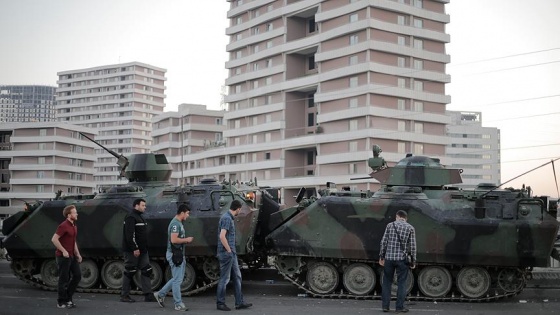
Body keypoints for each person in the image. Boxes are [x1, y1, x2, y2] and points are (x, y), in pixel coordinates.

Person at [153, 204, 194, 311]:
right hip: (175, 254)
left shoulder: (178, 223)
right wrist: (187, 240)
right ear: (182, 213)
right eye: (187, 213)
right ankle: (178, 304)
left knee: (177, 279)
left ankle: (160, 294)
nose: (188, 216)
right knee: (177, 280)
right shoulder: (175, 224)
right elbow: (174, 240)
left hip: (178, 254)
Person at [216, 200, 252, 311]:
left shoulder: (228, 218)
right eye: (239, 209)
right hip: (227, 253)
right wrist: (229, 251)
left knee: (237, 276)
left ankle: (239, 302)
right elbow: (222, 236)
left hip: (231, 253)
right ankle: (220, 303)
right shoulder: (227, 218)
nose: (239, 212)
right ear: (237, 208)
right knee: (224, 279)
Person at [379, 210, 417, 313]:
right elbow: (413, 247)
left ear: (397, 216)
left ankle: (385, 306)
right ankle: (399, 307)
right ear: (406, 218)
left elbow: (384, 242)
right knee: (402, 283)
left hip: (389, 259)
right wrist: (413, 261)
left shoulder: (390, 225)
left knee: (387, 282)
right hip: (402, 260)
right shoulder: (410, 228)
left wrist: (382, 256)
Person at [121, 198, 157, 303]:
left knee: (146, 270)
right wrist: (135, 248)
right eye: (143, 205)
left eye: (145, 205)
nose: (145, 207)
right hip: (133, 251)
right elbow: (129, 235)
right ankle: (124, 295)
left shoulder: (140, 217)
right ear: (136, 206)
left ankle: (148, 295)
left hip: (143, 250)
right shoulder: (131, 217)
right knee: (130, 271)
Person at [51, 204, 82, 309]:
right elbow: (54, 239)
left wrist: (77, 254)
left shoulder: (74, 226)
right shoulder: (63, 225)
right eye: (75, 212)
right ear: (69, 215)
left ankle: (68, 298)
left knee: (77, 275)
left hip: (72, 256)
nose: (77, 213)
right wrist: (63, 251)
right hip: (63, 256)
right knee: (64, 279)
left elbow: (73, 242)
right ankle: (61, 302)